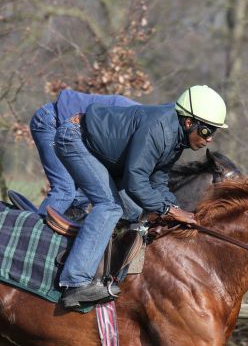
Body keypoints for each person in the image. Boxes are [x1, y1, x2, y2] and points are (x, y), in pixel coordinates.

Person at [54, 85, 228, 308]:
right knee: (110, 206)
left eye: (214, 132)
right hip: (74, 138)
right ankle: (75, 283)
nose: (210, 139)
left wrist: (180, 212)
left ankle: (104, 270)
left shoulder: (176, 141)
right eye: (207, 131)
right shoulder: (159, 129)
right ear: (188, 122)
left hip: (100, 153)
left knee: (135, 211)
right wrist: (169, 210)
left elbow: (157, 182)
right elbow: (136, 182)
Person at [30, 89, 139, 217]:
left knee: (81, 197)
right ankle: (33, 230)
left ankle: (72, 216)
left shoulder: (145, 125)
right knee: (65, 190)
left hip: (73, 135)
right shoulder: (138, 123)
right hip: (51, 120)